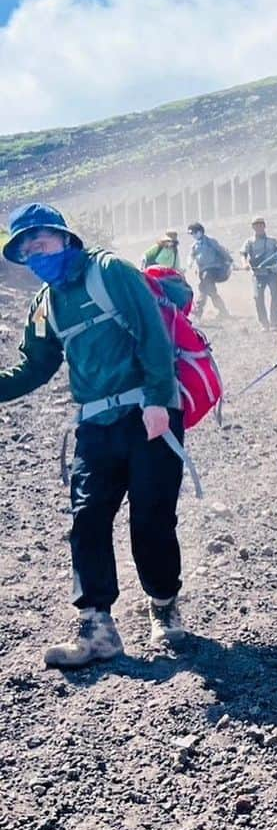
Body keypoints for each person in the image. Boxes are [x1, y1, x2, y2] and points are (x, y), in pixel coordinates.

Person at [0, 203, 189, 667]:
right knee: (86, 520)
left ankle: (163, 604)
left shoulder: (110, 271)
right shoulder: (44, 304)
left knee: (151, 520)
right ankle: (97, 628)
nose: (35, 257)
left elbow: (151, 335)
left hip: (148, 414)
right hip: (94, 425)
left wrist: (159, 401)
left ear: (65, 238)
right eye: (27, 253)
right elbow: (37, 366)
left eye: (40, 245)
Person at [187, 222, 232, 320]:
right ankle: (223, 311)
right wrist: (190, 263)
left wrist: (229, 260)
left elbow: (220, 250)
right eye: (192, 234)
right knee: (208, 290)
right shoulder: (194, 246)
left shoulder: (210, 241)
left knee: (204, 288)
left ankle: (199, 311)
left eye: (195, 232)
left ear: (200, 231)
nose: (193, 235)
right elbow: (191, 256)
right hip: (202, 271)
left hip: (212, 269)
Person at [241, 218, 277, 331]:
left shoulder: (273, 241)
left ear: (264, 226)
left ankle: (274, 322)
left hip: (272, 272)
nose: (258, 227)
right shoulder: (249, 242)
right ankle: (264, 323)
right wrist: (245, 264)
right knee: (258, 297)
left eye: (260, 225)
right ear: (253, 227)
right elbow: (243, 254)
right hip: (258, 273)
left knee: (275, 295)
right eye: (256, 225)